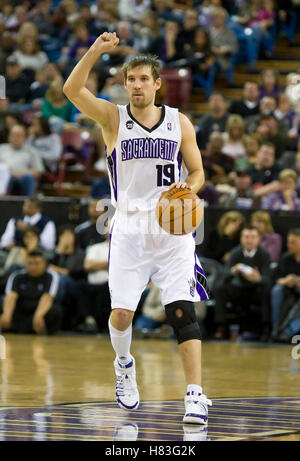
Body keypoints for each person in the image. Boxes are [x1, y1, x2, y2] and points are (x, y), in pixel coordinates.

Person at [63, 32, 211, 424]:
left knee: (182, 311)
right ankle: (124, 364)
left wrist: (187, 189)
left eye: (145, 79)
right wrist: (94, 51)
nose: (138, 85)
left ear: (157, 83)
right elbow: (70, 90)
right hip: (128, 228)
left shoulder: (180, 122)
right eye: (131, 80)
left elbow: (197, 172)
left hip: (173, 230)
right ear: (125, 84)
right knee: (123, 315)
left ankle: (195, 394)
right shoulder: (112, 118)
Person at [213, 225, 272, 341]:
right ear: (241, 239)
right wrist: (233, 271)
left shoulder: (264, 254)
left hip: (256, 290)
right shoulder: (235, 253)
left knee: (267, 290)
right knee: (220, 288)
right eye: (246, 237)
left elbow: (268, 279)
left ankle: (266, 329)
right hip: (238, 289)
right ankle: (220, 327)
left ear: (258, 239)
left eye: (253, 237)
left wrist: (258, 279)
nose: (249, 240)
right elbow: (225, 277)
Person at [0, 249, 61, 335]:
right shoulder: (17, 276)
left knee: (55, 311)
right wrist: (7, 315)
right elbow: (11, 297)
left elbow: (47, 297)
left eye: (37, 263)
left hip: (38, 310)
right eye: (30, 263)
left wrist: (38, 316)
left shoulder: (51, 276)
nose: (33, 267)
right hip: (20, 310)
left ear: (44, 264)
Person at [271, 229, 300, 342]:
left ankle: (287, 332)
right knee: (277, 290)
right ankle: (276, 329)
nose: (289, 245)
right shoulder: (285, 258)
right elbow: (275, 279)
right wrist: (286, 280)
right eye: (288, 242)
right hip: (288, 293)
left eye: (293, 242)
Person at [0, 124, 45, 196]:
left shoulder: (31, 151)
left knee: (28, 177)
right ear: (9, 137)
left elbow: (38, 171)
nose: (15, 138)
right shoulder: (1, 149)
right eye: (13, 135)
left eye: (18, 135)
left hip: (22, 178)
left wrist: (19, 174)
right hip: (4, 179)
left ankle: (28, 204)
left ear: (24, 137)